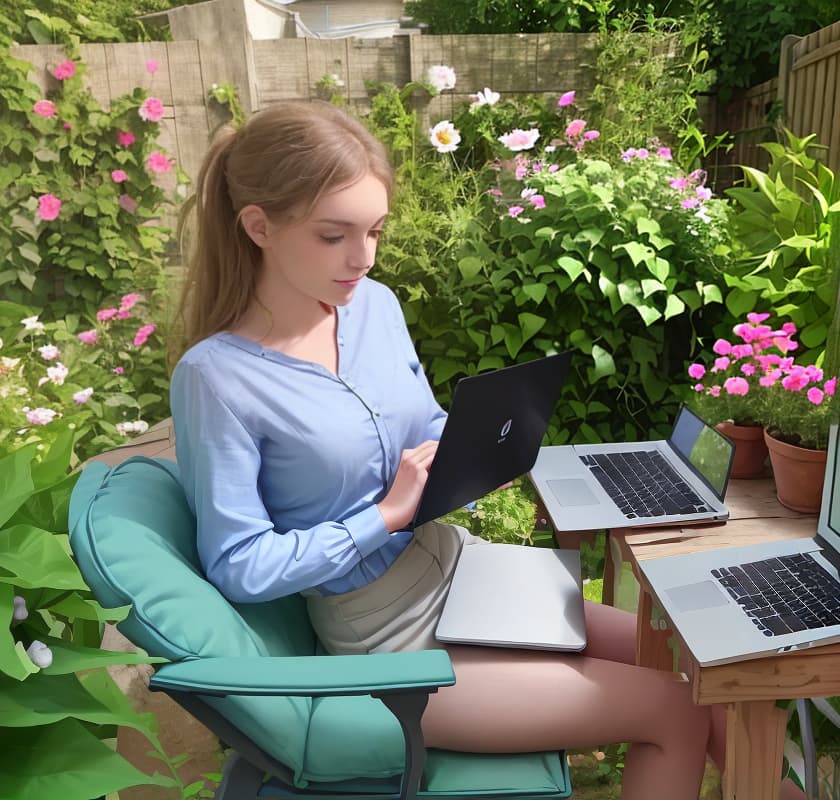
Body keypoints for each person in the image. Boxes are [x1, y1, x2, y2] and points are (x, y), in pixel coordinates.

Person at [169, 100, 805, 800]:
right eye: (333, 235)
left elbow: (421, 419)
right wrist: (381, 516)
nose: (364, 257)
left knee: (709, 668)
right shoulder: (217, 379)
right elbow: (236, 566)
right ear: (259, 227)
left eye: (375, 231)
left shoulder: (373, 306)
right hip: (388, 640)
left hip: (460, 568)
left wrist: (467, 449)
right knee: (673, 712)